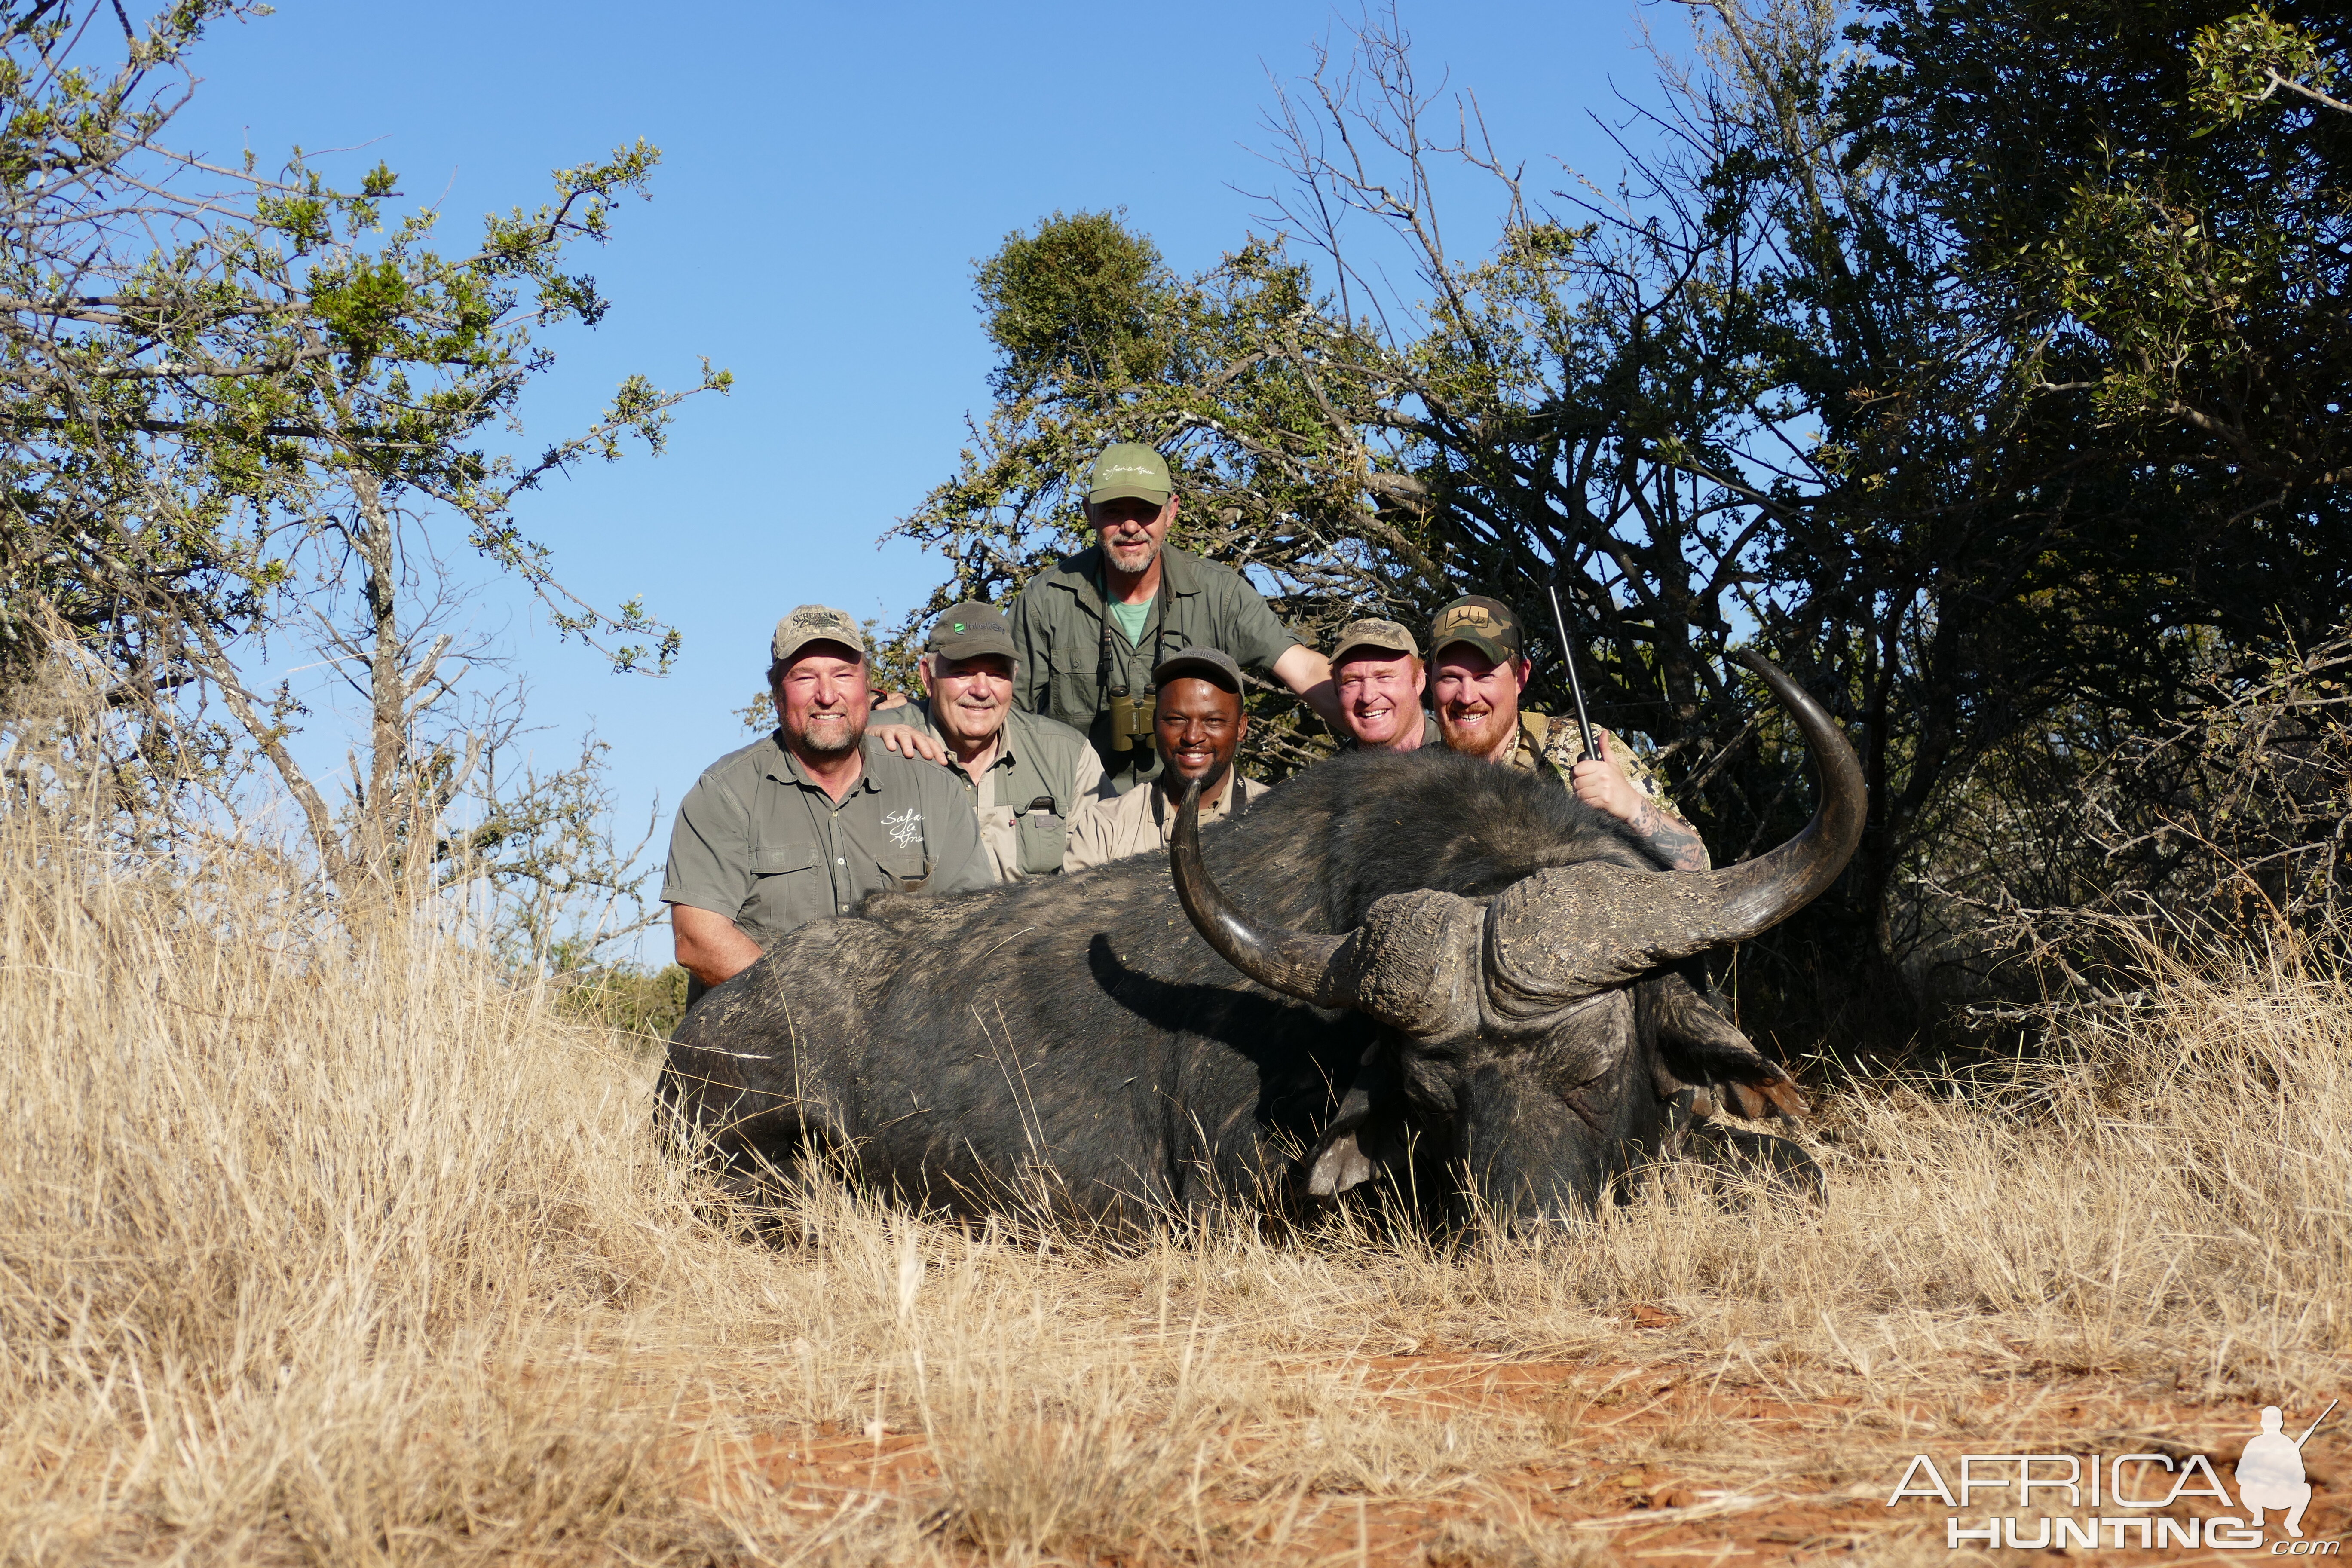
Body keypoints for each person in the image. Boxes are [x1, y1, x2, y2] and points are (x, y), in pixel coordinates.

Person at [660, 605, 994, 1008]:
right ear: (777, 695)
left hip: (903, 1039)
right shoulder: (725, 793)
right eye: (805, 677)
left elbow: (977, 931)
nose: (827, 694)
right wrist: (814, 1015)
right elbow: (698, 940)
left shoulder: (933, 787)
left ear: (868, 688)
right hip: (766, 1037)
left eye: (843, 675)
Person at [1008, 442, 1342, 795]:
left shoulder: (1221, 594)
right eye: (1113, 511)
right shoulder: (1045, 601)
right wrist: (942, 747)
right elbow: (998, 709)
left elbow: (1306, 671)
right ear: (1089, 513)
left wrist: (1390, 727)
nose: (1131, 526)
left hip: (1197, 810)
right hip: (1082, 816)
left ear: (1172, 511)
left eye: (1146, 510)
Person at [1427, 594, 1710, 873]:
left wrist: (1631, 807)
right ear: (1429, 679)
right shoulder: (1417, 776)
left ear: (1520, 677)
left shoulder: (1578, 750)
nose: (1466, 697)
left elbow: (1698, 864)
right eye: (1450, 678)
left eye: (1484, 676)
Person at [872, 600, 1109, 880]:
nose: (982, 690)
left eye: (997, 674)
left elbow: (1106, 877)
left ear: (1015, 677)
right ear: (927, 676)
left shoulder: (1068, 756)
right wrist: (863, 740)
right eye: (963, 672)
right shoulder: (876, 742)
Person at [1062, 646, 1273, 871]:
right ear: (1155, 724)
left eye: (1213, 721)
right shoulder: (1105, 828)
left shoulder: (1277, 820)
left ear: (1241, 727)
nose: (1193, 737)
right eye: (1176, 719)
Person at [1328, 616, 1439, 752]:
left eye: (1384, 677)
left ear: (1419, 680)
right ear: (1336, 688)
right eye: (1352, 681)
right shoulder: (1329, 772)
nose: (1368, 697)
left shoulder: (1464, 754)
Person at [2236, 1406, 2314, 1537]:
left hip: (2281, 1493)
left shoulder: (2288, 1444)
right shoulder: (2254, 1444)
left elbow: (2300, 1476)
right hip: (2258, 1494)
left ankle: (2292, 1523)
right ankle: (2258, 1514)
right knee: (2246, 1486)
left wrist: (2284, 1475)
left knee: (2305, 1489)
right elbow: (2241, 1475)